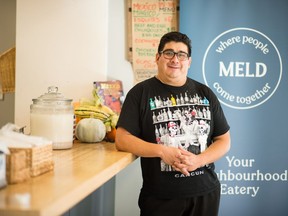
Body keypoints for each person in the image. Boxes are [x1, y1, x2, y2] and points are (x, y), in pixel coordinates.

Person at [115, 31, 231, 216]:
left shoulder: (205, 93)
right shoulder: (139, 93)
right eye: (169, 53)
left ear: (189, 61)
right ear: (158, 57)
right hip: (161, 198)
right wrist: (162, 151)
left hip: (205, 193)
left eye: (181, 54)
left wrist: (199, 160)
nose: (175, 59)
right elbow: (122, 140)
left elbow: (224, 140)